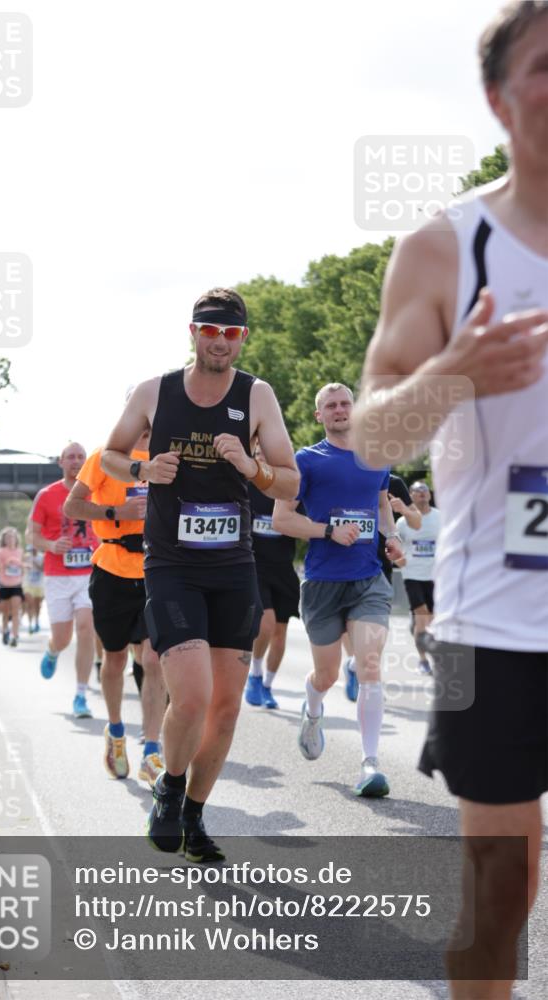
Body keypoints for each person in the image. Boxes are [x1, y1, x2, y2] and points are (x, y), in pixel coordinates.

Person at [351, 4, 548, 994]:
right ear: (497, 99)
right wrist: (456, 373)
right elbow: (374, 438)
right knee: (502, 895)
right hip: (497, 625)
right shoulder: (444, 248)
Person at [101, 287, 299, 862]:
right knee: (191, 696)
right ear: (192, 332)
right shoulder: (154, 391)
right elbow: (109, 454)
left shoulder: (256, 395)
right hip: (172, 566)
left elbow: (289, 482)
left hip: (234, 567)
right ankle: (169, 787)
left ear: (242, 337)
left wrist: (250, 465)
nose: (219, 341)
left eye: (230, 333)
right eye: (209, 331)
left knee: (227, 707)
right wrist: (143, 466)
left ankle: (192, 812)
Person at [273, 382, 402, 797]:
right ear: (320, 416)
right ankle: (312, 709)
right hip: (323, 582)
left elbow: (382, 502)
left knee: (369, 665)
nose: (340, 409)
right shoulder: (306, 461)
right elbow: (281, 519)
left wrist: (391, 535)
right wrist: (328, 530)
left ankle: (369, 764)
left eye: (345, 402)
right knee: (327, 674)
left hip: (367, 580)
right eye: (331, 405)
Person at [64, 434, 167, 786]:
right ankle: (117, 731)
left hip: (157, 570)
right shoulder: (103, 458)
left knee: (154, 659)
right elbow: (72, 506)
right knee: (116, 659)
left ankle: (152, 750)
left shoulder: (167, 458)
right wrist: (115, 512)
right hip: (111, 570)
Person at [29, 443, 99, 719]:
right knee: (62, 637)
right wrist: (50, 545)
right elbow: (31, 535)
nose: (76, 461)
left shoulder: (96, 491)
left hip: (88, 574)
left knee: (86, 628)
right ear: (61, 462)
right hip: (57, 575)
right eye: (71, 457)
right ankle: (52, 650)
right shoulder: (46, 495)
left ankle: (80, 695)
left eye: (81, 457)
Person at [340, 472, 422, 702]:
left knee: (376, 630)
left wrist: (403, 510)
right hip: (345, 560)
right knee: (348, 623)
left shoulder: (393, 482)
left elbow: (416, 521)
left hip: (379, 565)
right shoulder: (341, 474)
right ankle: (362, 673)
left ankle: (358, 666)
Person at [244, 447, 301, 710]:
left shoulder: (289, 489)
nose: (264, 458)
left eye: (269, 453)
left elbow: (304, 521)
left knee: (280, 632)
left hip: (283, 568)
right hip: (255, 566)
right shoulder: (245, 487)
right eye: (259, 454)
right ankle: (254, 674)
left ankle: (267, 685)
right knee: (265, 625)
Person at [394, 482, 441, 674]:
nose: (422, 494)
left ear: (429, 495)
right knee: (422, 616)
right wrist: (398, 559)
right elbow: (392, 544)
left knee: (434, 620)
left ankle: (433, 652)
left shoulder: (441, 517)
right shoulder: (403, 522)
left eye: (425, 490)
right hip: (412, 574)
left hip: (436, 575)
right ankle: (423, 660)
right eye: (417, 491)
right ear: (411, 496)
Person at [0, 528, 24, 646]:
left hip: (16, 584)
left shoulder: (20, 551)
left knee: (15, 611)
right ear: (4, 540)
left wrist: (22, 566)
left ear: (16, 539)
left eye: (12, 537)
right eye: (8, 537)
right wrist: (5, 564)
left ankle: (15, 636)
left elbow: (22, 566)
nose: (10, 539)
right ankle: (5, 631)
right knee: (5, 612)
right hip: (4, 584)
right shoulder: (0, 552)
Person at [22, 546, 44, 633]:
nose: (33, 550)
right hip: (28, 583)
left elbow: (43, 569)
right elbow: (22, 567)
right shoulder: (26, 557)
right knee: (30, 603)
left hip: (39, 584)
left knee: (37, 605)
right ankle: (30, 624)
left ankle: (36, 622)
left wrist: (34, 562)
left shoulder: (42, 557)